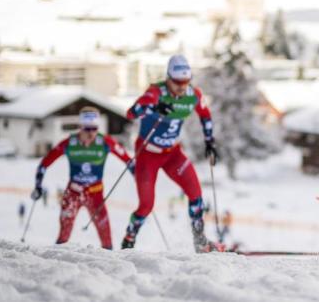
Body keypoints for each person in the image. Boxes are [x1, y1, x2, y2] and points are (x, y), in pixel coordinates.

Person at [121, 54, 218, 253]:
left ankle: (199, 241)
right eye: (177, 82)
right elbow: (132, 112)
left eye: (186, 81)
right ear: (168, 78)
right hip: (148, 155)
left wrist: (209, 141)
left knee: (195, 193)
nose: (182, 86)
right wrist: (155, 107)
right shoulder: (156, 92)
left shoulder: (193, 95)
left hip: (172, 153)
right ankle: (129, 238)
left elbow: (205, 115)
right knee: (146, 206)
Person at [31, 107, 133, 249]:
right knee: (64, 235)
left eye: (94, 128)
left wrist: (141, 180)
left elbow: (129, 161)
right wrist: (38, 186)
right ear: (80, 127)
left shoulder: (105, 142)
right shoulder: (69, 143)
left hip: (95, 194)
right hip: (73, 193)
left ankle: (110, 266)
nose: (91, 133)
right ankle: (57, 264)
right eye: (87, 128)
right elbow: (44, 164)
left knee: (106, 237)